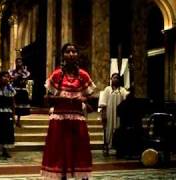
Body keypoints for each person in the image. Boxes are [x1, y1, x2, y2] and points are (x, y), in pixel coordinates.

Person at [41, 43, 96, 180]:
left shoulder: (83, 75)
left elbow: (91, 97)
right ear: (63, 55)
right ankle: (61, 176)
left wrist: (82, 98)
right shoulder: (57, 75)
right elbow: (47, 98)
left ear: (77, 55)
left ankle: (81, 175)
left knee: (79, 150)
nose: (71, 54)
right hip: (59, 119)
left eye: (74, 51)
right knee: (59, 151)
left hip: (77, 119)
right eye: (68, 51)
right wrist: (59, 98)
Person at [98, 73, 129, 156]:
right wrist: (103, 115)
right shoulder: (107, 89)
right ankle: (106, 147)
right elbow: (103, 103)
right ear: (111, 79)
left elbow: (127, 97)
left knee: (118, 129)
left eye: (117, 78)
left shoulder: (122, 90)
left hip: (119, 114)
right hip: (109, 113)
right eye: (114, 78)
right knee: (108, 130)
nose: (116, 79)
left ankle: (118, 148)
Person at [9, 57, 31, 127]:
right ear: (15, 63)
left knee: (20, 107)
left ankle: (18, 121)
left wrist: (22, 76)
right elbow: (10, 80)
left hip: (22, 90)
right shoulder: (12, 71)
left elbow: (26, 81)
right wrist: (14, 78)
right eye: (17, 62)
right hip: (14, 89)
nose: (19, 63)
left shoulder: (26, 72)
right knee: (13, 105)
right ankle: (13, 119)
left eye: (20, 62)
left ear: (22, 63)